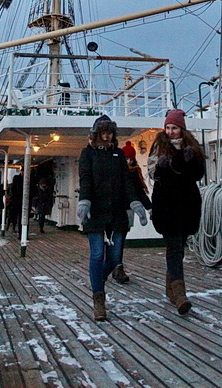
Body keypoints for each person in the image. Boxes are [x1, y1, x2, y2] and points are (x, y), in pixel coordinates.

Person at [77, 115, 147, 322]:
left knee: (115, 258)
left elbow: (127, 181)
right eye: (103, 132)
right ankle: (99, 299)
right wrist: (85, 201)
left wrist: (135, 203)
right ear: (96, 134)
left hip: (116, 212)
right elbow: (85, 178)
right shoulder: (87, 154)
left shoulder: (118, 154)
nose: (107, 136)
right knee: (97, 254)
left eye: (109, 133)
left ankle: (98, 279)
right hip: (96, 212)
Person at [147, 108, 205, 315]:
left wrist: (192, 161)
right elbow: (154, 173)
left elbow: (198, 174)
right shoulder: (159, 146)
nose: (170, 132)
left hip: (187, 205)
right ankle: (180, 295)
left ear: (182, 129)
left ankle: (170, 290)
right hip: (167, 206)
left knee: (179, 247)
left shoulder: (192, 148)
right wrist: (162, 167)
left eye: (174, 128)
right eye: (168, 128)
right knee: (174, 249)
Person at [111, 141, 151, 284]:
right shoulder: (116, 172)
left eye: (131, 159)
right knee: (116, 239)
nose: (128, 162)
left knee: (120, 238)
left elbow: (139, 193)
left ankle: (117, 267)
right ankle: (115, 266)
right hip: (113, 210)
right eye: (126, 159)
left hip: (128, 210)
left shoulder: (135, 174)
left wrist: (149, 208)